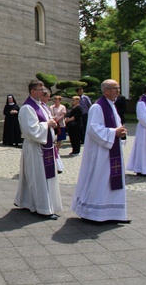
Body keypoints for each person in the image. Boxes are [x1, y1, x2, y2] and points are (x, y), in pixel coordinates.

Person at [71, 79, 130, 223]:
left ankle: (114, 213)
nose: (118, 90)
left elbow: (114, 125)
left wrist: (120, 131)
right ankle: (93, 213)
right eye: (115, 88)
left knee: (111, 182)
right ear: (106, 91)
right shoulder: (97, 107)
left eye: (118, 87)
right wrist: (114, 132)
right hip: (101, 153)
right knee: (101, 180)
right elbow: (93, 129)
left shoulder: (111, 105)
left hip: (111, 150)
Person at [14, 80, 62, 220]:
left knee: (42, 176)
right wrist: (48, 123)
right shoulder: (27, 108)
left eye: (43, 89)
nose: (43, 91)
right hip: (35, 147)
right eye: (40, 89)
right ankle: (42, 208)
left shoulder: (41, 106)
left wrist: (50, 122)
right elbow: (30, 131)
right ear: (32, 91)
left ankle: (34, 203)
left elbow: (45, 123)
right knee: (38, 177)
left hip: (45, 146)